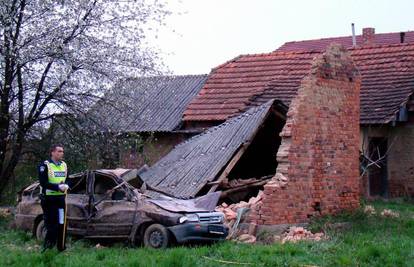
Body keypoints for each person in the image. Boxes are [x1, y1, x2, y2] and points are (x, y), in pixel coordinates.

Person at [38, 144, 70, 252]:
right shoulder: (45, 165)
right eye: (59, 151)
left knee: (62, 223)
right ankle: (47, 249)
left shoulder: (64, 165)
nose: (62, 153)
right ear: (52, 152)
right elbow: (43, 183)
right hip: (49, 200)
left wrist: (67, 185)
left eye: (62, 151)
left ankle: (61, 248)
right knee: (52, 225)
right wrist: (57, 187)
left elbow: (68, 179)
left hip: (61, 200)